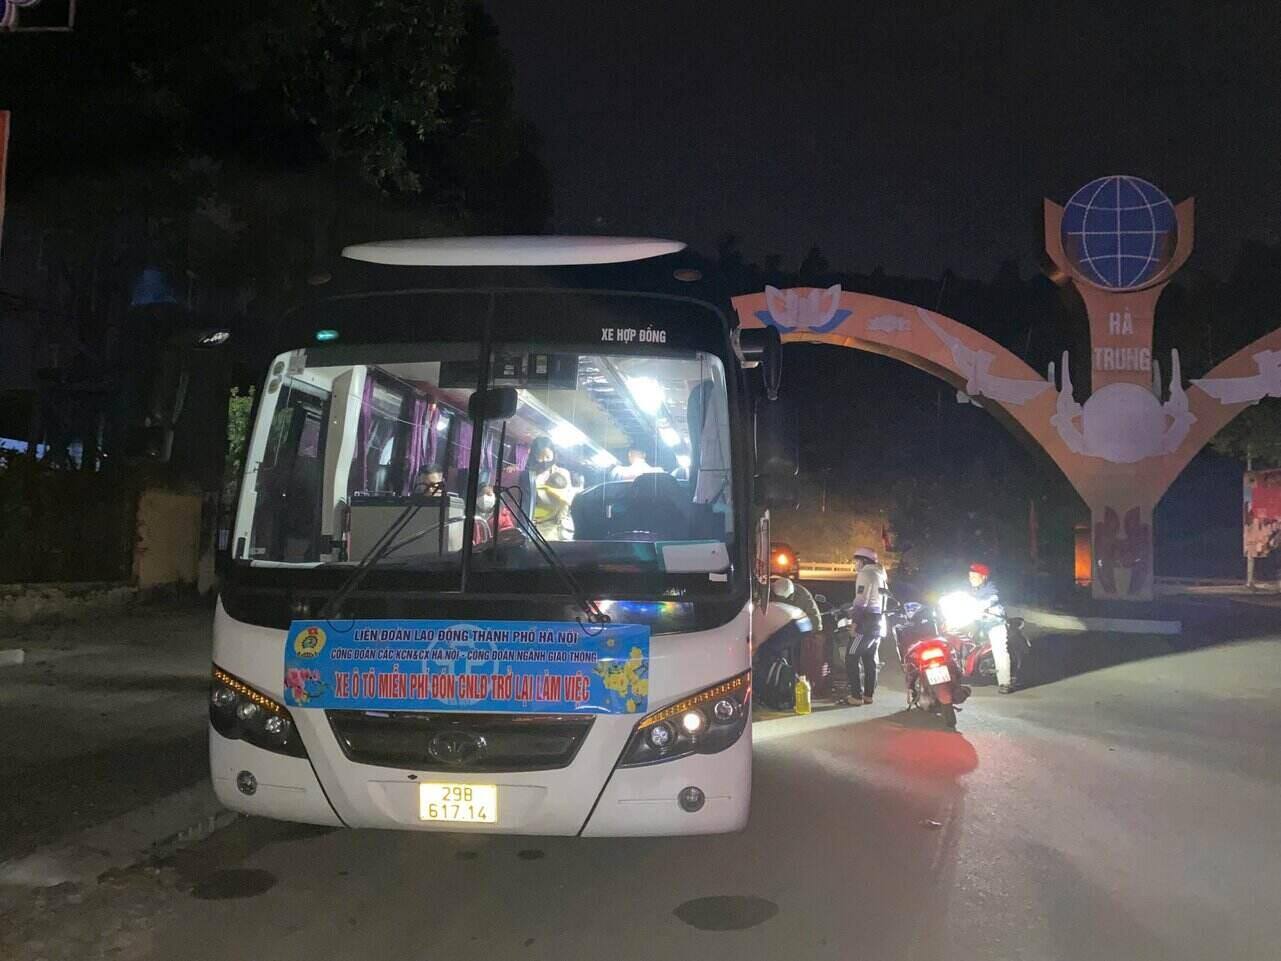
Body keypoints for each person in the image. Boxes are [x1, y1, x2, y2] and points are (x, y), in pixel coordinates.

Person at [845, 547, 888, 706]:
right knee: (870, 659)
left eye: (856, 561)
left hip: (865, 623)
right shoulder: (880, 575)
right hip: (878, 623)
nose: (855, 564)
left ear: (863, 561)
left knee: (851, 657)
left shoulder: (865, 574)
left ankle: (856, 696)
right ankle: (868, 695)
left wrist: (855, 624)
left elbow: (861, 602)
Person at [969, 562, 1013, 693]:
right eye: (970, 576)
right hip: (976, 622)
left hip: (994, 622)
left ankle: (1005, 682)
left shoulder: (991, 588)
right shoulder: (969, 589)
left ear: (983, 577)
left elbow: (993, 597)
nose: (971, 579)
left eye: (974, 576)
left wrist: (983, 604)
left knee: (999, 650)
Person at [525, 436, 578, 541]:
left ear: (554, 455)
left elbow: (566, 502)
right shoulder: (529, 475)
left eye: (548, 457)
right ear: (534, 456)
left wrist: (561, 521)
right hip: (529, 526)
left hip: (550, 528)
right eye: (540, 457)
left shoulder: (562, 473)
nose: (544, 461)